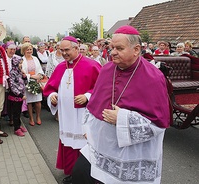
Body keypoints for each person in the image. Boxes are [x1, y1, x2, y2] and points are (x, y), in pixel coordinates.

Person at [72, 25, 170, 184]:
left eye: (119, 48)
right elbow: (95, 103)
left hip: (131, 152)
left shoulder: (153, 77)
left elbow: (158, 123)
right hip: (101, 143)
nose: (113, 52)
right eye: (111, 48)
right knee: (80, 174)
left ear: (136, 49)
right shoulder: (107, 69)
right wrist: (88, 128)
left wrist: (122, 118)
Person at [43, 36, 101, 184]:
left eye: (67, 50)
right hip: (66, 115)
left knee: (84, 144)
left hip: (83, 114)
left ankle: (86, 175)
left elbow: (102, 89)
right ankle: (71, 173)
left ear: (76, 48)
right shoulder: (61, 67)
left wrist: (88, 96)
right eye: (61, 50)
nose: (64, 53)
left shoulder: (91, 65)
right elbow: (50, 88)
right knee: (68, 143)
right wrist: (53, 96)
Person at [21, 42, 44, 126]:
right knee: (29, 102)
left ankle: (38, 117)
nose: (29, 51)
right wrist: (31, 76)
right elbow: (22, 72)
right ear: (24, 50)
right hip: (28, 82)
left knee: (38, 101)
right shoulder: (22, 60)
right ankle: (31, 118)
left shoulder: (35, 58)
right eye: (27, 49)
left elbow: (40, 69)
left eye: (30, 49)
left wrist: (39, 76)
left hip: (36, 82)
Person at [8, 54, 28, 136]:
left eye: (21, 63)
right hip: (15, 96)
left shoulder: (20, 71)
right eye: (20, 63)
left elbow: (24, 83)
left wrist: (24, 77)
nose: (21, 65)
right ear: (15, 63)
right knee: (15, 113)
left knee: (19, 112)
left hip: (20, 95)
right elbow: (12, 86)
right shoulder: (12, 72)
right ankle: (16, 128)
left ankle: (19, 126)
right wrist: (20, 95)